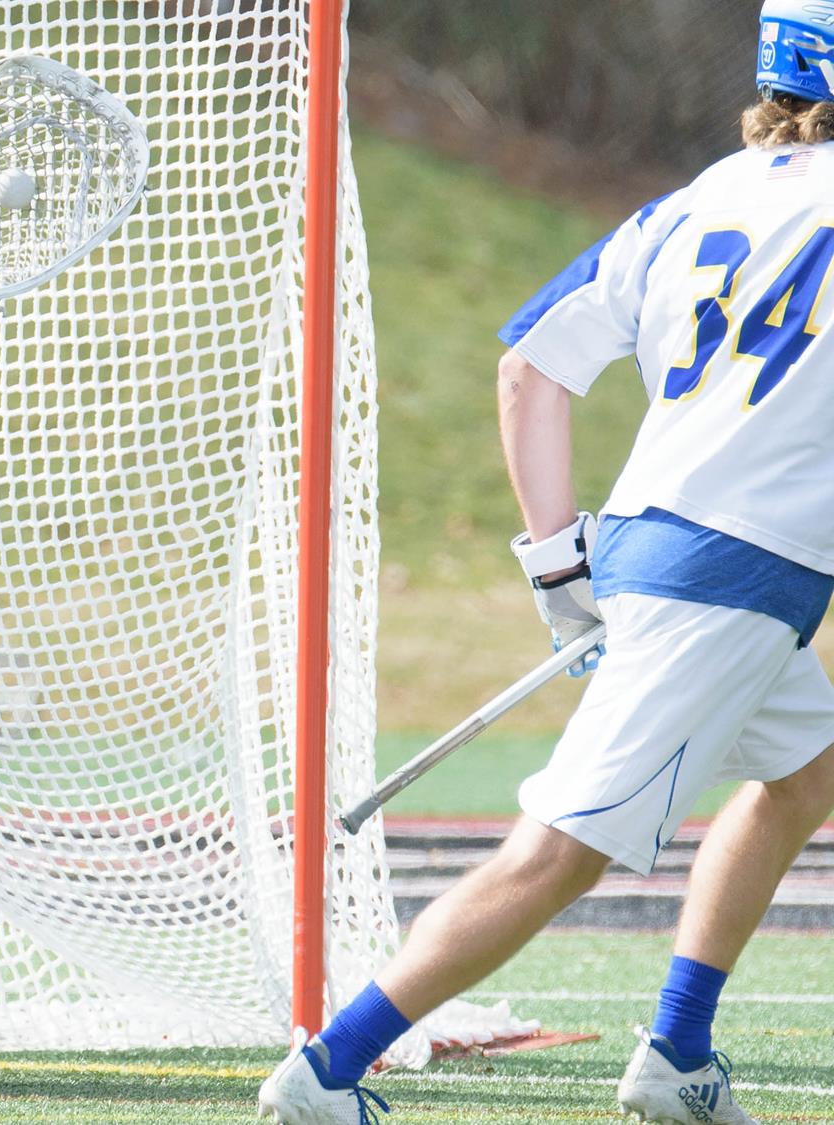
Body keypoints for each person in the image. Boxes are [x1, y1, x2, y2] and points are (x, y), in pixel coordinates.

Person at [260, 3, 834, 1122]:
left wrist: (557, 564)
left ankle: (674, 1054)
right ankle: (326, 1070)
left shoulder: (695, 199)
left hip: (667, 550)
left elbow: (530, 370)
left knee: (807, 777)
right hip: (725, 582)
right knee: (553, 857)